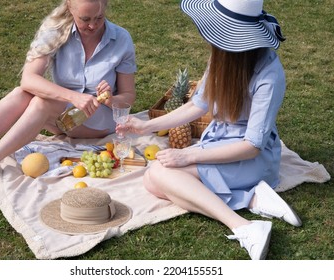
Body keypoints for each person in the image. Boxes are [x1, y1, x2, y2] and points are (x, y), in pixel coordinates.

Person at [117, 0, 301, 260]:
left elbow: (251, 147)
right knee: (152, 181)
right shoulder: (222, 56)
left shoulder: (269, 75)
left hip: (251, 158)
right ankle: (252, 199)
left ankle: (244, 226)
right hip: (220, 144)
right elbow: (197, 104)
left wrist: (188, 156)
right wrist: (146, 126)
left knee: (157, 173)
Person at [0, 0, 136, 194]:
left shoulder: (121, 39)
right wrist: (73, 97)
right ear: (70, 8)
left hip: (98, 121)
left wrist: (110, 100)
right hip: (63, 114)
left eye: (99, 18)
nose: (92, 25)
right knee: (20, 94)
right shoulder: (56, 29)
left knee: (41, 103)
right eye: (85, 19)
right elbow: (28, 80)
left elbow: (128, 97)